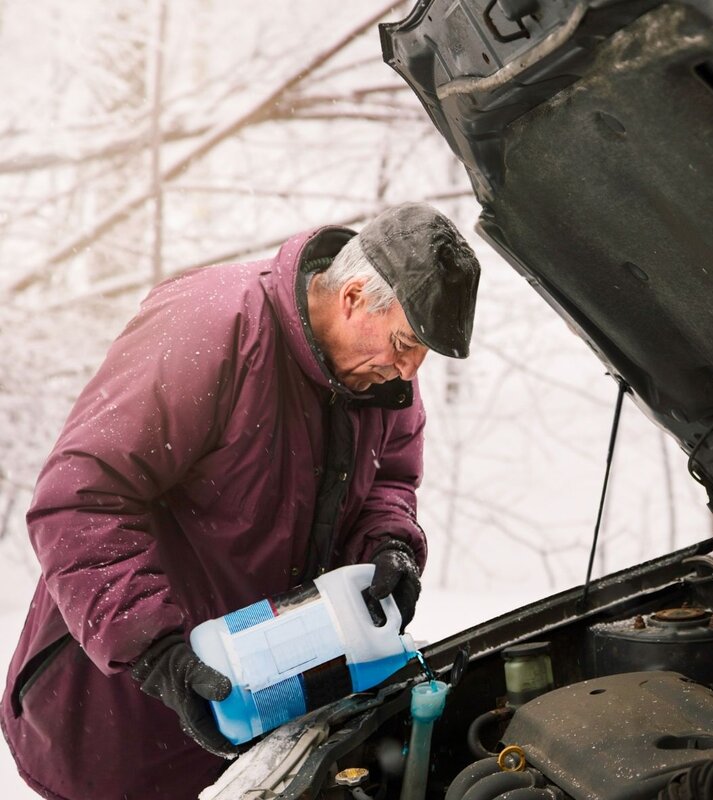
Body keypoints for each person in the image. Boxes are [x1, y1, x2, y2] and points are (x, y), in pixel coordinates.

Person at [0, 203, 481, 800]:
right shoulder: (210, 332)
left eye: (420, 353)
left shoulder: (384, 379)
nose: (409, 370)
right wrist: (155, 652)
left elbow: (390, 481)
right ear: (354, 296)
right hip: (121, 707)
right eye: (404, 342)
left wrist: (386, 544)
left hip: (258, 715)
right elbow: (78, 501)